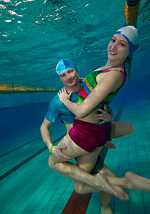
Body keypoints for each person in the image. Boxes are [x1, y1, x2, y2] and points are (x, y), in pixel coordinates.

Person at [47, 25, 141, 200]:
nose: (113, 47)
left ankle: (108, 184)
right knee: (80, 186)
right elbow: (99, 96)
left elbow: (82, 110)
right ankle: (121, 182)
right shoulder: (107, 68)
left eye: (121, 44)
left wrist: (65, 101)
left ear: (129, 52)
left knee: (53, 162)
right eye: (113, 40)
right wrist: (109, 116)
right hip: (94, 131)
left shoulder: (114, 74)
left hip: (84, 133)